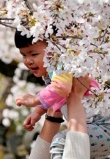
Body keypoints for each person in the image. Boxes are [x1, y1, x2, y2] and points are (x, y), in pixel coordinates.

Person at [14, 30, 110, 158]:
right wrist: (38, 112)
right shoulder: (52, 73)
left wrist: (35, 100)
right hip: (92, 131)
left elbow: (61, 89)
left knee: (61, 141)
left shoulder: (64, 66)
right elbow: (55, 96)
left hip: (103, 128)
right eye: (24, 55)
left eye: (34, 54)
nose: (28, 61)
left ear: (55, 48)